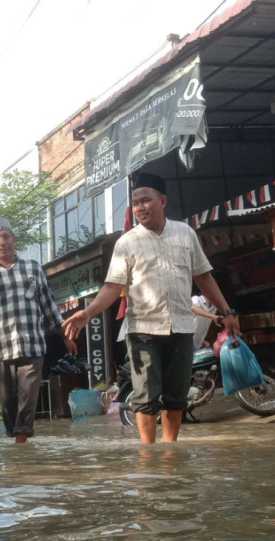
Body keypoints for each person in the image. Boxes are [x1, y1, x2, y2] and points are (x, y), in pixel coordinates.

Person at [63, 173, 234, 444]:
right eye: (135, 202)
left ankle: (170, 450)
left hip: (180, 326)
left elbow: (203, 276)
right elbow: (111, 287)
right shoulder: (127, 243)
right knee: (146, 396)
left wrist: (227, 311)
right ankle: (147, 453)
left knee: (176, 395)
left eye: (146, 200)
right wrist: (87, 313)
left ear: (162, 200)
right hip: (142, 330)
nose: (140, 207)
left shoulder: (185, 233)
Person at [0, 217, 77, 443]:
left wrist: (65, 337)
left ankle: (21, 443)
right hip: (2, 351)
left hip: (33, 347)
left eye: (6, 237)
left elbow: (50, 308)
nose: (2, 242)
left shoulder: (33, 269)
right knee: (7, 402)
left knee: (28, 398)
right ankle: (16, 437)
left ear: (14, 240)